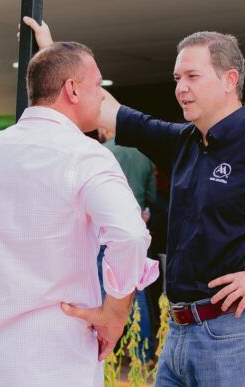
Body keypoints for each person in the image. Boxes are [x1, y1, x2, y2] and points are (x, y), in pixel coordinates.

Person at [25, 18, 245, 386]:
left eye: (192, 77)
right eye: (177, 79)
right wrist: (52, 55)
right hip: (180, 334)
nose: (180, 88)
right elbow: (106, 109)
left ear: (229, 80)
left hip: (237, 334)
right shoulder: (184, 141)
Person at [0, 39, 158, 386]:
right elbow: (129, 235)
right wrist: (115, 313)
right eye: (98, 85)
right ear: (72, 90)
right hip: (56, 356)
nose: (102, 96)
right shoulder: (86, 155)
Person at [98, 126, 157, 361]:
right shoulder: (144, 155)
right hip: (136, 229)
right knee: (137, 290)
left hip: (105, 231)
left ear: (107, 128)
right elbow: (152, 197)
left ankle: (106, 351)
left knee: (104, 288)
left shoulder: (101, 152)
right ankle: (141, 353)